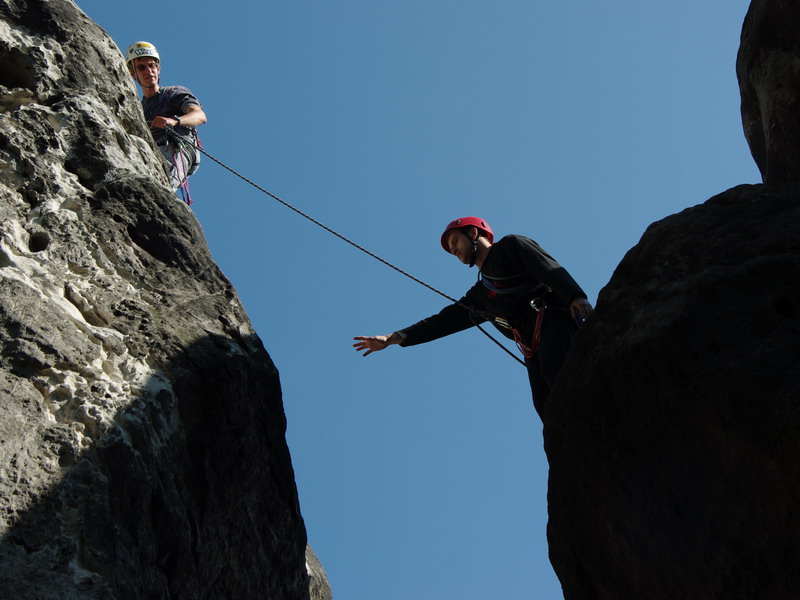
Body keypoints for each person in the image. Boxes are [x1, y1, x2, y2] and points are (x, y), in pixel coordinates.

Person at [353, 217, 593, 418]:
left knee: (557, 371)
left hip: (553, 319)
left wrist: (574, 296)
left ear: (473, 232)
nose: (454, 250)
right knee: (543, 402)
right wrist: (393, 338)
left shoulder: (510, 247)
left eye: (455, 241)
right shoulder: (479, 296)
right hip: (532, 345)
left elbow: (546, 267)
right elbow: (442, 322)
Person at [125, 41, 207, 204]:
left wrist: (174, 121)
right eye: (142, 67)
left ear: (158, 68)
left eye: (152, 66)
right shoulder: (139, 108)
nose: (149, 71)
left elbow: (199, 116)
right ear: (132, 73)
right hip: (154, 151)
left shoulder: (173, 93)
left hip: (177, 147)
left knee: (158, 190)